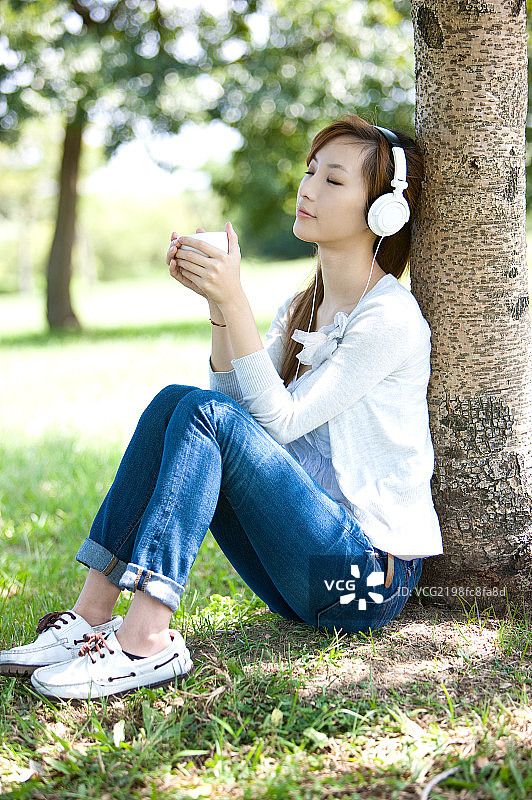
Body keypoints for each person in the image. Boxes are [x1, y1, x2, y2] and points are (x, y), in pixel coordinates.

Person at [0, 114, 442, 700]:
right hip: (296, 572)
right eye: (310, 172)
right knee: (175, 404)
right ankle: (87, 619)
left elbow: (274, 421)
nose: (309, 189)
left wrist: (235, 297)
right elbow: (230, 414)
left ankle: (146, 642)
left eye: (334, 181)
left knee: (202, 416)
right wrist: (218, 309)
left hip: (365, 582)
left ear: (382, 209)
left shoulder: (389, 318)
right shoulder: (304, 306)